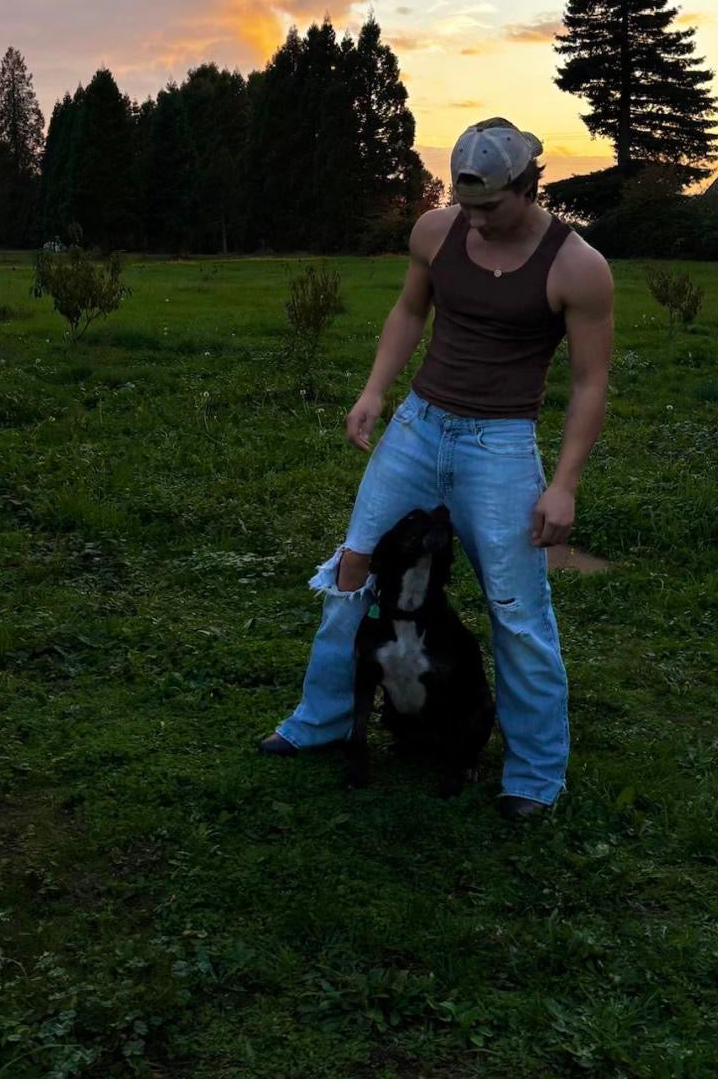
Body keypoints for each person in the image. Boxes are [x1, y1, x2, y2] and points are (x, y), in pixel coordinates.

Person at [259, 117, 614, 819]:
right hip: (418, 429)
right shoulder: (436, 232)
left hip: (502, 446)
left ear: (527, 185)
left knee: (516, 610)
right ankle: (325, 719)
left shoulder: (577, 267)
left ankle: (534, 774)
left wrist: (564, 485)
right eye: (465, 204)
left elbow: (590, 383)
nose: (474, 220)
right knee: (352, 571)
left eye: (489, 206)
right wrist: (373, 391)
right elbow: (407, 312)